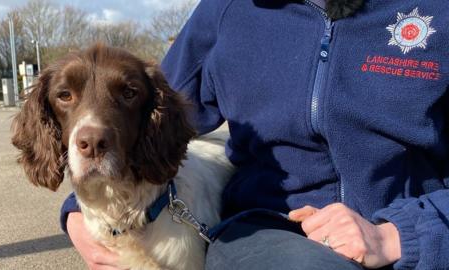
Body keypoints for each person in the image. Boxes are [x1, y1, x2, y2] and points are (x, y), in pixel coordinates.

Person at [61, 0, 449, 269]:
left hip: (422, 232)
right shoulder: (229, 10)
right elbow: (139, 119)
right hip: (273, 231)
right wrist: (77, 212)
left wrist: (402, 234)